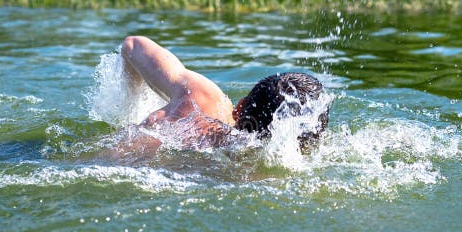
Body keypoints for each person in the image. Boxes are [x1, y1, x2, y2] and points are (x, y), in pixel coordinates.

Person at [118, 35, 329, 153]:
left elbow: (133, 44)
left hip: (116, 155)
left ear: (240, 107)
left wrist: (130, 110)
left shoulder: (202, 96)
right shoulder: (258, 177)